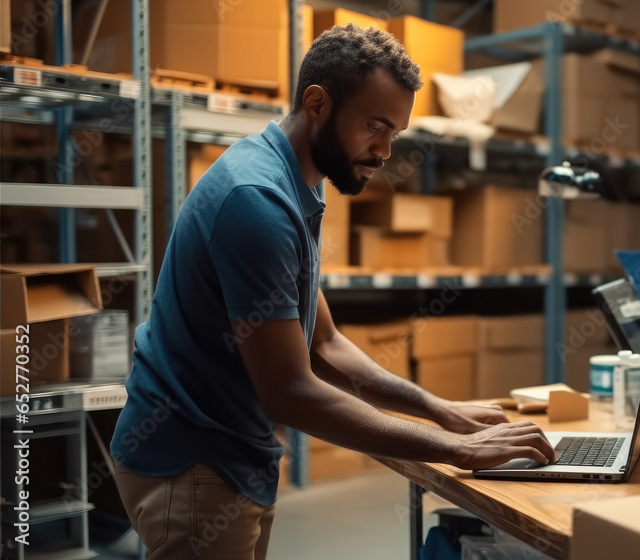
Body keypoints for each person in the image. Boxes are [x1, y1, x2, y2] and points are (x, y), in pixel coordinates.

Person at [110, 24, 556, 560]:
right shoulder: (257, 199)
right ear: (317, 103)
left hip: (232, 453)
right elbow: (290, 391)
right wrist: (456, 449)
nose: (386, 150)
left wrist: (439, 409)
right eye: (374, 126)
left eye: (395, 132)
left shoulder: (299, 180)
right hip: (193, 461)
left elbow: (324, 343)